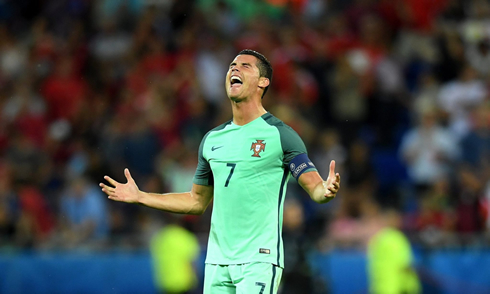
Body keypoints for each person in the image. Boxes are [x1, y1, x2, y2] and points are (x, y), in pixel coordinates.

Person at [100, 49, 341, 294]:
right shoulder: (212, 139)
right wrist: (141, 196)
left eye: (245, 66)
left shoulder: (281, 135)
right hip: (217, 262)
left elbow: (315, 188)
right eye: (232, 66)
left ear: (263, 81)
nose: (234, 69)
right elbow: (196, 201)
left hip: (258, 260)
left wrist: (326, 189)